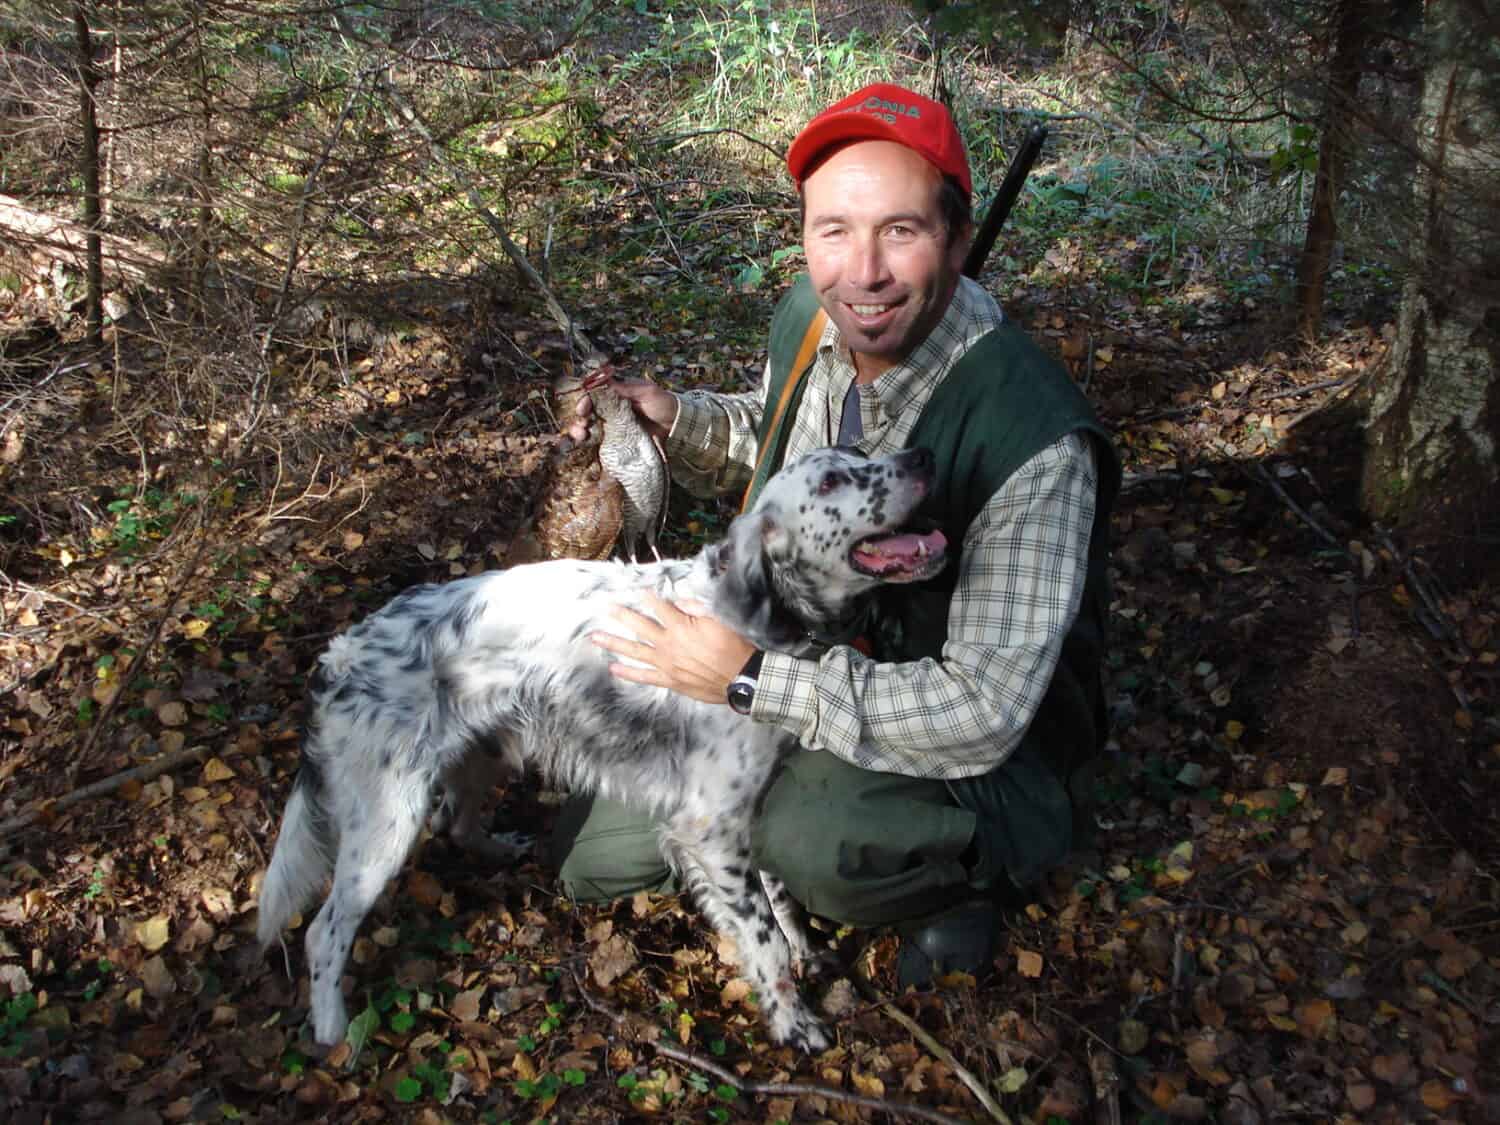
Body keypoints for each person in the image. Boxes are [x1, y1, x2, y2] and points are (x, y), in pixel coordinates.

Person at [556, 83, 1120, 984]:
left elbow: (982, 712)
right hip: (807, 654)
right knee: (598, 849)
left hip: (968, 746)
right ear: (805, 233)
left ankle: (966, 881)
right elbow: (779, 447)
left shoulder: (1036, 439)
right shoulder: (816, 313)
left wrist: (747, 684)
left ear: (958, 241)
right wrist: (676, 419)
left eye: (901, 230)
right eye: (834, 230)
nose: (863, 271)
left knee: (802, 835)